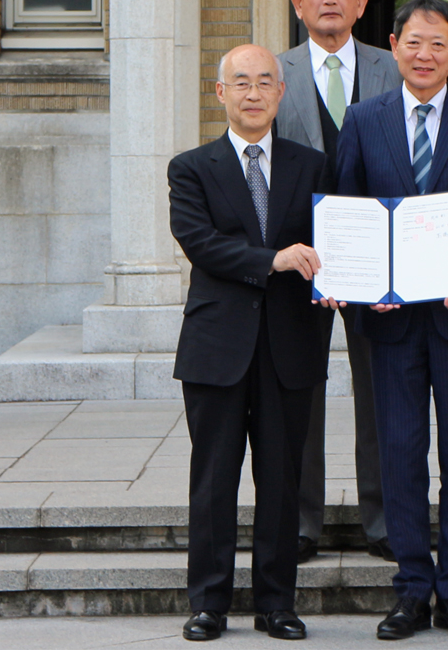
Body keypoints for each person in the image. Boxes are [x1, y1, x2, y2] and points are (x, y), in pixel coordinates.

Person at [328, 0, 448, 640]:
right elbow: (348, 210)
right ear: (393, 44)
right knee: (401, 454)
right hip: (390, 320)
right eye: (415, 42)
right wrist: (360, 282)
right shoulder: (364, 117)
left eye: (439, 44)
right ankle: (411, 588)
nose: (426, 54)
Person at [169, 44, 333, 641]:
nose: (254, 92)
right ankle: (209, 603)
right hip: (217, 346)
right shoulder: (191, 167)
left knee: (282, 481)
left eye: (266, 81)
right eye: (241, 82)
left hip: (291, 346)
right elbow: (202, 244)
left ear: (281, 92)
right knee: (213, 479)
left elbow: (332, 243)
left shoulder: (312, 165)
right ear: (221, 93)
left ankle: (276, 605)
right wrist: (275, 260)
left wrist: (345, 278)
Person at [276, 0, 403, 565]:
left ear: (362, 3)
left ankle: (383, 522)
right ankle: (302, 522)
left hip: (375, 259)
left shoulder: (393, 67)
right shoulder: (272, 73)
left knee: (380, 391)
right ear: (298, 4)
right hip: (300, 258)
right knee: (300, 388)